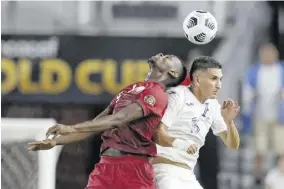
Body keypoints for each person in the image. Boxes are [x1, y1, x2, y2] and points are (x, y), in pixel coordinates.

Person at [28, 53, 188, 189]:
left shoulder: (158, 94)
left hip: (133, 169)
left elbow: (119, 119)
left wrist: (71, 128)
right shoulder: (130, 89)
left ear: (173, 73)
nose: (161, 55)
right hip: (105, 166)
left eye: (167, 57)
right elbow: (94, 126)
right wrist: (56, 142)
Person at [151, 56, 240, 189]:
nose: (219, 85)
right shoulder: (177, 96)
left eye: (220, 79)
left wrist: (229, 121)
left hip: (187, 174)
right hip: (165, 170)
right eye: (213, 79)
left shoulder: (213, 105)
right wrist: (180, 144)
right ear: (197, 80)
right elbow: (157, 134)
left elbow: (233, 145)